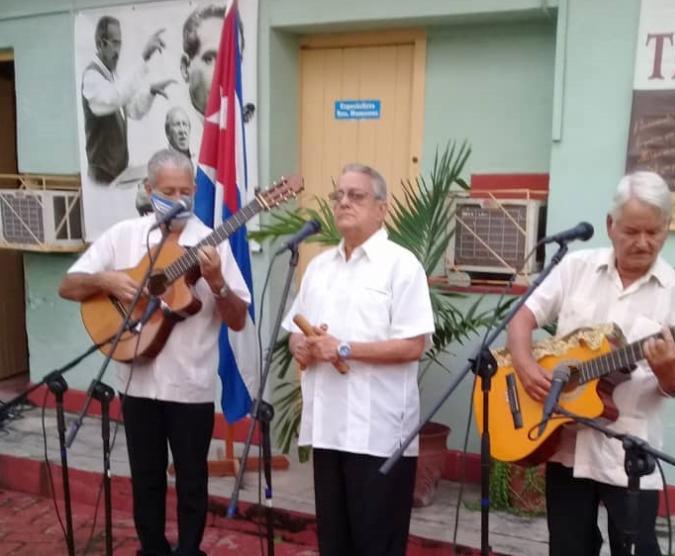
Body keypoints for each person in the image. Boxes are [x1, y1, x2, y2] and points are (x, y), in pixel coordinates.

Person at [59, 149, 251, 556]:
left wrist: (216, 282)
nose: (178, 199)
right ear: (149, 190)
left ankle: (189, 550)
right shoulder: (126, 235)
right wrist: (106, 281)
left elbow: (237, 320)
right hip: (136, 382)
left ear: (196, 191)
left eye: (185, 191)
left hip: (190, 385)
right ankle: (152, 548)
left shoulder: (211, 244)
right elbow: (68, 286)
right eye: (168, 191)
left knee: (191, 480)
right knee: (145, 477)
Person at [506, 171, 675, 556]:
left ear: (668, 228)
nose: (643, 242)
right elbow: (521, 317)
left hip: (630, 457)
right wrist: (525, 364)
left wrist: (669, 371)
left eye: (654, 232)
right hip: (565, 444)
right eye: (632, 231)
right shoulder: (575, 268)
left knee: (636, 549)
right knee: (567, 548)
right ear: (610, 225)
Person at [281, 164, 435, 556]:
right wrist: (299, 344)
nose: (344, 202)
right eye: (339, 195)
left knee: (376, 544)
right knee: (335, 543)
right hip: (329, 428)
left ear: (382, 209)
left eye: (357, 195)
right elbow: (297, 330)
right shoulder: (319, 268)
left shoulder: (402, 265)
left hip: (379, 435)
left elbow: (413, 344)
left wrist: (345, 348)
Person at [81, 16, 175, 184]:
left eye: (120, 43)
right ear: (101, 44)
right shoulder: (91, 77)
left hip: (118, 173)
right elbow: (116, 97)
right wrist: (144, 57)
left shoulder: (111, 76)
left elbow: (132, 110)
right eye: (115, 43)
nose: (119, 50)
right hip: (102, 177)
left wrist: (150, 92)